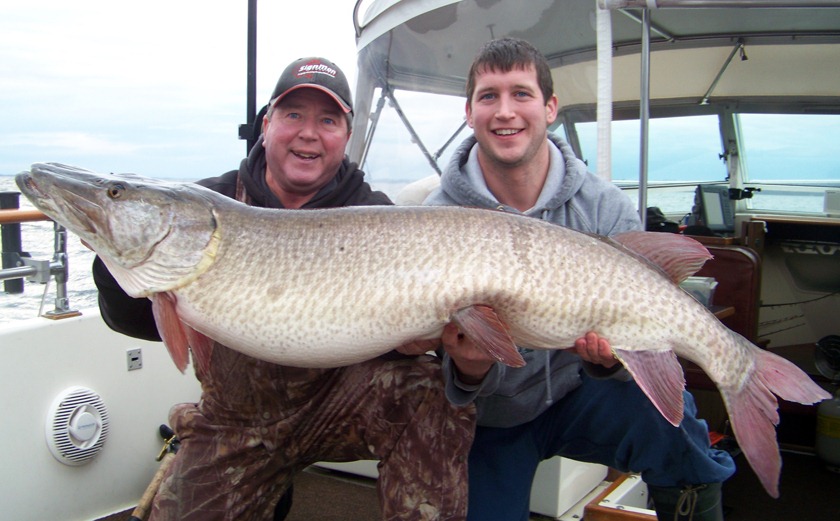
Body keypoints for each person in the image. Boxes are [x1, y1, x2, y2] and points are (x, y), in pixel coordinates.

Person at [92, 56, 475, 521]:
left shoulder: (376, 214)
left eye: (327, 119)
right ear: (267, 124)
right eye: (294, 115)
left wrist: (417, 340)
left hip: (343, 405)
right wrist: (114, 250)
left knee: (429, 391)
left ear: (346, 136)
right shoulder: (207, 205)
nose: (309, 133)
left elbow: (396, 331)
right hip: (234, 420)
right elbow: (133, 319)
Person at [400, 38, 735, 521]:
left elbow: (636, 343)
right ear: (469, 112)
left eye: (521, 93)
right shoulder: (436, 219)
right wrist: (471, 369)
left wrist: (607, 364)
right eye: (489, 96)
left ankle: (692, 498)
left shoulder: (603, 205)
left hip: (582, 393)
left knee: (676, 426)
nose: (505, 111)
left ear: (550, 108)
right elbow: (438, 353)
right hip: (492, 417)